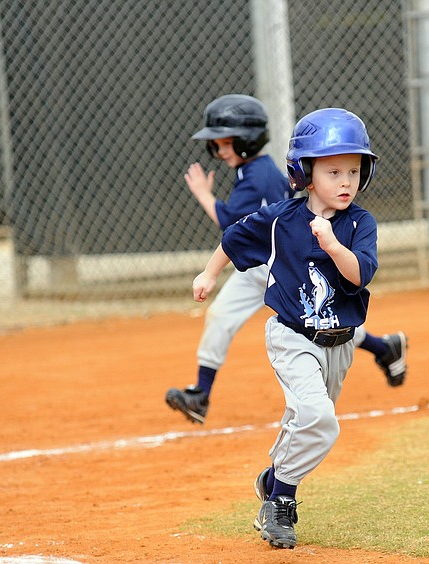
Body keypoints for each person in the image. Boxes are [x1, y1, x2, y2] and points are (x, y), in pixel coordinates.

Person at [192, 107, 381, 548]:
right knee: (320, 419)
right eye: (333, 171)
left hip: (339, 345)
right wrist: (208, 275)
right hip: (293, 335)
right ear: (305, 174)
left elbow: (359, 275)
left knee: (307, 421)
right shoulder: (281, 219)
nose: (346, 182)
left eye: (354, 170)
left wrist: (333, 246)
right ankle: (281, 503)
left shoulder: (360, 224)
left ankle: (273, 477)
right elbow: (233, 238)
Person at [165, 95, 407, 425]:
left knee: (314, 317)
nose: (219, 150)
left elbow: (231, 225)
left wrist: (205, 196)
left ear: (247, 141)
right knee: (228, 315)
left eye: (226, 142)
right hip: (259, 264)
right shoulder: (252, 171)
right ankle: (201, 394)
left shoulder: (257, 176)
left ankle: (384, 348)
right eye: (217, 144)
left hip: (278, 262)